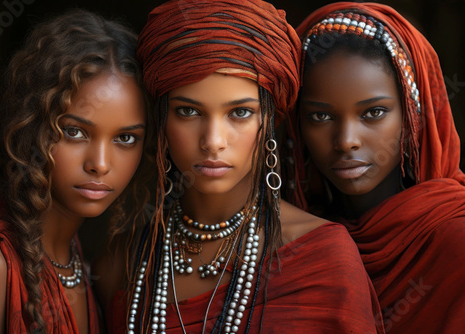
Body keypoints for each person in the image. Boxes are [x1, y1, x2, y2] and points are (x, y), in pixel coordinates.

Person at [98, 0, 384, 333]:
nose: (213, 140)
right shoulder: (123, 260)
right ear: (161, 120)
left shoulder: (321, 258)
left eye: (240, 113)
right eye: (189, 112)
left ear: (270, 120)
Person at [0, 9, 150, 334]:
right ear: (32, 126)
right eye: (75, 132)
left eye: (125, 138)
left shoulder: (77, 258)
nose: (101, 164)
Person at [285, 2, 465, 333]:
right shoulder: (291, 243)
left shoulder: (455, 241)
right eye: (320, 116)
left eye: (373, 112)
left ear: (413, 115)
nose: (346, 141)